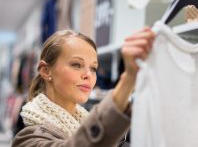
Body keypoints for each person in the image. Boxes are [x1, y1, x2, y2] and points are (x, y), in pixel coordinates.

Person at [12, 28, 155, 147]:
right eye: (76, 65)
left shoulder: (83, 121)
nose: (89, 75)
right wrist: (128, 79)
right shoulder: (29, 139)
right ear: (46, 71)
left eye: (93, 68)